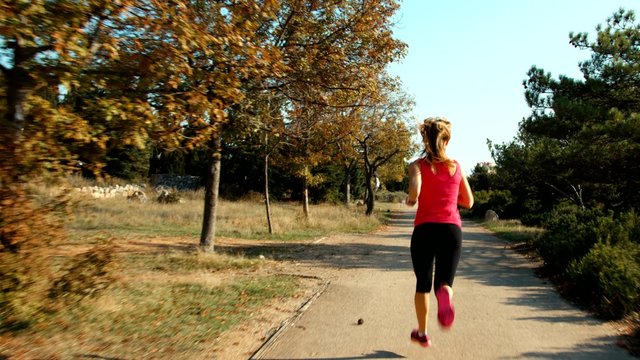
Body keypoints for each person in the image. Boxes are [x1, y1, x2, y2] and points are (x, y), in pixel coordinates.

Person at [405, 117, 474, 348]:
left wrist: (411, 199)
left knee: (422, 284)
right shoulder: (456, 166)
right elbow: (469, 202)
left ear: (425, 138)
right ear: (447, 139)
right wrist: (451, 198)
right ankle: (444, 293)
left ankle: (422, 333)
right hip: (451, 230)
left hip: (424, 230)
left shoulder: (417, 165)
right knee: (444, 282)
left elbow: (415, 188)